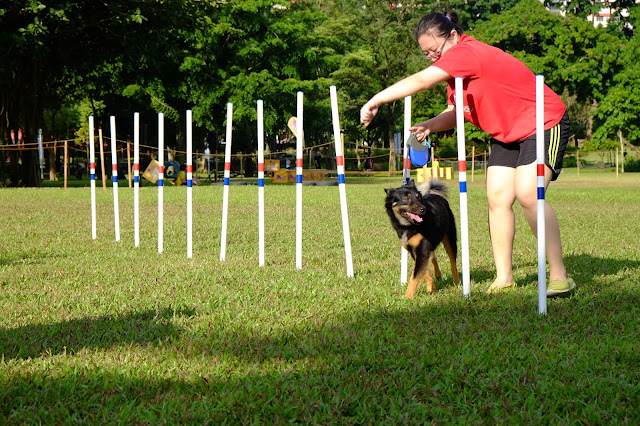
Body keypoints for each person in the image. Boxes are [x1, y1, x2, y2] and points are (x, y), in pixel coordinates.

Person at [360, 10, 575, 296]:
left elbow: (422, 81)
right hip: (506, 133)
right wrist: (430, 125)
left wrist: (376, 99)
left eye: (435, 51)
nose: (433, 59)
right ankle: (504, 277)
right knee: (497, 197)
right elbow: (457, 111)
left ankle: (560, 275)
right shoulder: (455, 73)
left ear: (453, 36)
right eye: (427, 55)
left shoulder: (467, 52)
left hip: (542, 122)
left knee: (528, 193)